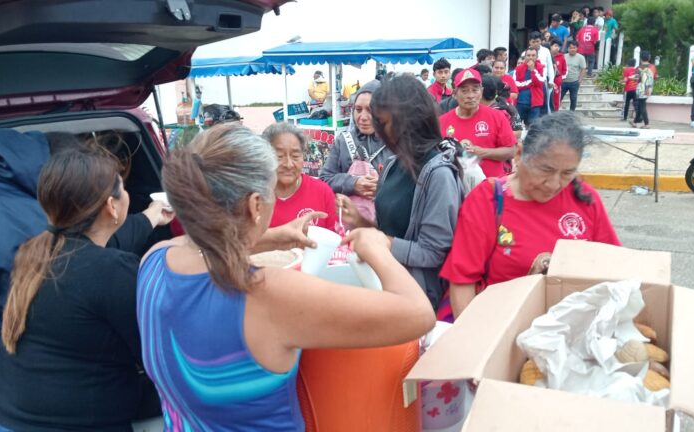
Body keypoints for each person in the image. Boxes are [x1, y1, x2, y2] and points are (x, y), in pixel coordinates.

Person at [137, 124, 436, 431]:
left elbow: (203, 244)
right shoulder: (266, 294)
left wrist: (270, 237)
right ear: (255, 205)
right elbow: (418, 314)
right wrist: (377, 246)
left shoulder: (154, 260)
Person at [0, 130, 172, 431]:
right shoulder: (111, 269)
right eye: (122, 188)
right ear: (111, 206)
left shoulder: (34, 250)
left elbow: (95, 253)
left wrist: (150, 217)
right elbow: (157, 356)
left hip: (2, 419)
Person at [439, 112, 621, 318]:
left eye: (567, 173)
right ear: (519, 154)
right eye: (545, 170)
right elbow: (463, 281)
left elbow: (611, 267)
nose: (554, 184)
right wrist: (473, 338)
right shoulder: (488, 200)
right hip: (498, 324)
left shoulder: (586, 199)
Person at [338, 75, 463, 310]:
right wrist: (361, 221)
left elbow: (433, 251)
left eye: (385, 124)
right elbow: (390, 231)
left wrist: (382, 241)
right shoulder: (394, 164)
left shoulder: (438, 175)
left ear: (410, 121)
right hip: (384, 280)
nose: (380, 132)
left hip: (415, 295)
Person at [320, 80, 392, 201]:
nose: (363, 117)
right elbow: (325, 178)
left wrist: (382, 186)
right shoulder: (343, 141)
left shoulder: (397, 144)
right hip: (349, 217)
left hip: (385, 219)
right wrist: (353, 183)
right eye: (358, 110)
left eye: (370, 110)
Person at [439, 68, 517, 178]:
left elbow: (511, 151)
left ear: (481, 91)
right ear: (455, 94)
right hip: (457, 189)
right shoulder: (442, 122)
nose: (470, 95)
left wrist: (481, 152)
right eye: (464, 91)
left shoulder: (497, 116)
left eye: (475, 90)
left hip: (491, 189)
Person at [262, 122, 337, 231]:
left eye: (295, 156)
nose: (288, 164)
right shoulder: (255, 196)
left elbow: (335, 239)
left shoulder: (323, 192)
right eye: (279, 156)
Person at [515, 47, 546, 126]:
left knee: (532, 128)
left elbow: (540, 82)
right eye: (528, 55)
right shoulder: (518, 68)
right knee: (516, 126)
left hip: (535, 104)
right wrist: (530, 82)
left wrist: (533, 70)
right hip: (520, 103)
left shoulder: (542, 67)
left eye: (533, 55)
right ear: (525, 57)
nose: (531, 57)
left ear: (537, 57)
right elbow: (516, 85)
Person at [528, 31, 554, 115]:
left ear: (541, 41)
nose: (535, 44)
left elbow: (550, 66)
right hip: (529, 80)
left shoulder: (546, 51)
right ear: (529, 42)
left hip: (543, 80)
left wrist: (551, 80)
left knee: (544, 102)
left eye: (537, 41)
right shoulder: (526, 52)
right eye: (533, 42)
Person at [630, 52, 654, 129]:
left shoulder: (638, 68)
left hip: (640, 88)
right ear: (649, 58)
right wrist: (649, 88)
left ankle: (646, 123)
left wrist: (630, 78)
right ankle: (634, 122)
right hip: (647, 88)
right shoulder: (652, 67)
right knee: (641, 105)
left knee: (642, 106)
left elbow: (636, 77)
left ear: (640, 59)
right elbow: (652, 78)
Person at [561, 40, 587, 112]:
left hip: (574, 82)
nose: (572, 49)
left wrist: (580, 80)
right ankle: (555, 112)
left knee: (573, 98)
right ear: (568, 48)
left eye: (574, 48)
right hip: (564, 81)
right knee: (559, 98)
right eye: (570, 48)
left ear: (577, 48)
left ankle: (572, 113)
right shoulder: (563, 56)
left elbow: (583, 69)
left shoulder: (581, 57)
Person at [551, 39, 568, 111]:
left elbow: (565, 70)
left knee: (556, 99)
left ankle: (555, 113)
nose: (557, 48)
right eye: (555, 46)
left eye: (558, 46)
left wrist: (560, 78)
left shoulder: (561, 57)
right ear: (551, 46)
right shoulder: (547, 55)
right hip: (547, 81)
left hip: (557, 82)